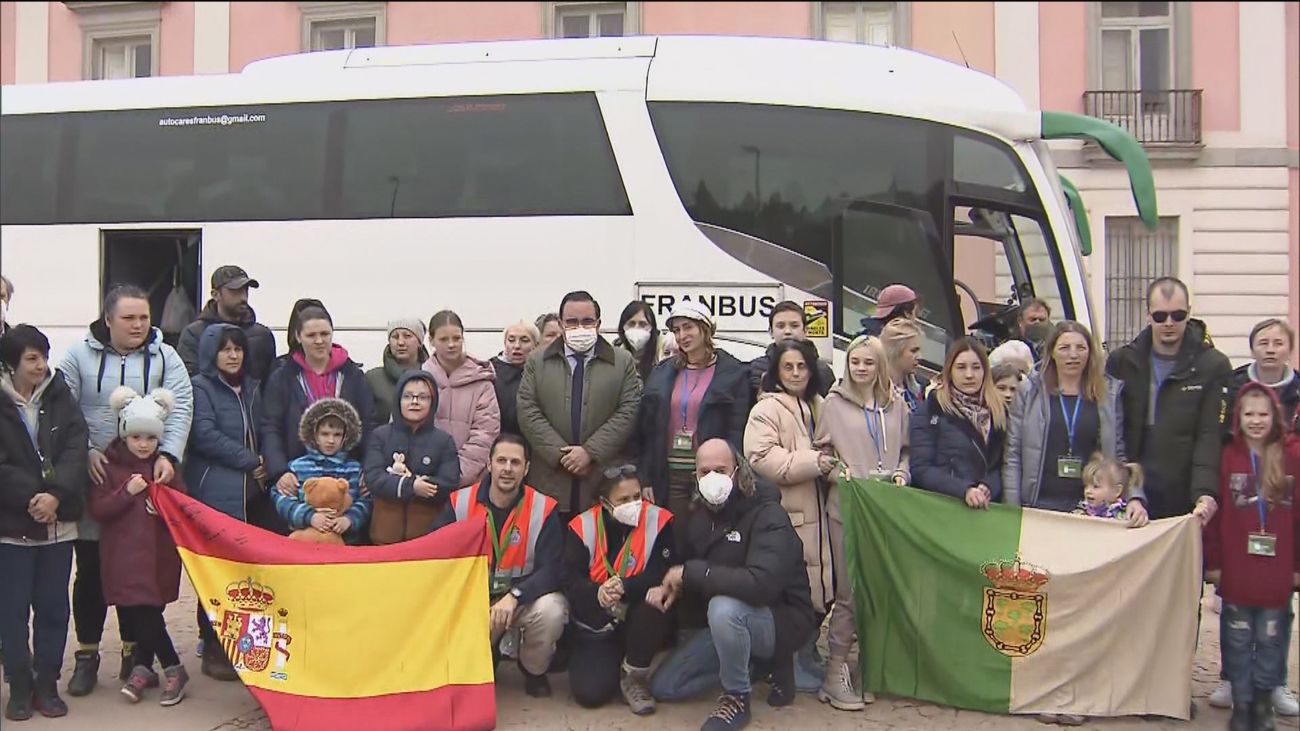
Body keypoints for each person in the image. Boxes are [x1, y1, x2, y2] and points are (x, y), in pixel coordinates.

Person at [57, 284, 193, 696]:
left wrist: (168, 453)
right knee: (93, 569)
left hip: (147, 483)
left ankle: (137, 657)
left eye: (144, 317)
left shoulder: (166, 356)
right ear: (108, 318)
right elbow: (63, 408)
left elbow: (181, 405)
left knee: (139, 571)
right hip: (99, 477)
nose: (138, 325)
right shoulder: (77, 355)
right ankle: (87, 654)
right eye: (130, 318)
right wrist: (85, 452)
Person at [648, 439, 818, 731]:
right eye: (704, 472)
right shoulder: (697, 517)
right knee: (666, 686)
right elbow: (691, 572)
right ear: (695, 478)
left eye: (721, 469)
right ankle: (757, 665)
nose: (712, 478)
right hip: (727, 624)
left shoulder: (768, 513)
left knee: (724, 607)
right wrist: (672, 587)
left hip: (779, 618)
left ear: (738, 472)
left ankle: (737, 697)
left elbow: (760, 585)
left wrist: (690, 573)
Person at [811, 334, 909, 711]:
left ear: (880, 365)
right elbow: (822, 454)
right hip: (848, 508)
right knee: (850, 590)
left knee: (881, 586)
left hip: (886, 510)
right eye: (855, 362)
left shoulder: (896, 405)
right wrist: (841, 474)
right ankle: (835, 669)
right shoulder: (833, 405)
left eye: (869, 362)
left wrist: (902, 473)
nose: (862, 368)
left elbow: (906, 452)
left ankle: (870, 664)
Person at [0, 325, 87, 721]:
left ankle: (47, 684)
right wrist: (32, 498)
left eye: (44, 357)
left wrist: (56, 495)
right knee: (12, 611)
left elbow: (75, 445)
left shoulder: (59, 393)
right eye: (32, 359)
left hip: (58, 524)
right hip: (11, 527)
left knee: (53, 608)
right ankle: (19, 685)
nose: (41, 366)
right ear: (12, 363)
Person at [1205, 383, 1300, 731]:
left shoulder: (1292, 456)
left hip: (1277, 572)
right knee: (1238, 638)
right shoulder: (1228, 455)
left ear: (1275, 416)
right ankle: (1242, 704)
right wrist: (1213, 562)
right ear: (1238, 417)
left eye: (1263, 414)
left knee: (1272, 639)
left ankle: (1263, 704)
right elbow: (1216, 514)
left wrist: (1297, 567)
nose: (1256, 421)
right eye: (1249, 414)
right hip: (1237, 569)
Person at [448, 434, 568, 698]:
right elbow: (439, 559)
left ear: (526, 469)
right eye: (501, 460)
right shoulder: (459, 502)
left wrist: (515, 596)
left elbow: (553, 570)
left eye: (515, 462)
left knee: (553, 610)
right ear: (489, 464)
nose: (507, 468)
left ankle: (533, 670)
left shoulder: (544, 508)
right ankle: (487, 657)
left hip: (520, 599)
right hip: (474, 602)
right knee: (475, 678)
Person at [90, 387, 188, 707]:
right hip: (121, 556)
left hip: (157, 555)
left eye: (150, 438)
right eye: (136, 438)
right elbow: (99, 509)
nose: (144, 445)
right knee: (137, 610)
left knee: (148, 611)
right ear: (124, 435)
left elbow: (181, 506)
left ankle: (146, 667)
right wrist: (126, 493)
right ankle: (168, 666)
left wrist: (163, 509)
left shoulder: (164, 470)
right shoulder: (110, 465)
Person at [1105, 277, 1231, 521]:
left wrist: (1204, 493)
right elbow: (1113, 435)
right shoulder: (1122, 362)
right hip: (1131, 494)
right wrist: (1129, 492)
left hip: (1185, 494)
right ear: (1147, 315)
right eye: (1160, 316)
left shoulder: (1212, 365)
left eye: (1178, 315)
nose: (1169, 323)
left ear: (1189, 313)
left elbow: (1210, 435)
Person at [1003, 321, 1149, 529]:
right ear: (1052, 352)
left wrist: (1135, 497)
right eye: (1064, 348)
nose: (1073, 355)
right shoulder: (1029, 391)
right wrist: (1012, 508)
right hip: (1038, 505)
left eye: (1081, 348)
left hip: (1089, 509)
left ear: (1090, 353)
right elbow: (1013, 455)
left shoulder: (1108, 394)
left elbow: (1117, 455)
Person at [183, 324, 263, 681]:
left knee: (247, 576)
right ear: (211, 353)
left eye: (238, 349)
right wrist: (252, 460)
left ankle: (246, 645)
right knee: (217, 573)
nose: (233, 355)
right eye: (226, 349)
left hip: (252, 494)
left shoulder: (253, 388)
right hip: (215, 490)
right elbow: (205, 434)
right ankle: (213, 647)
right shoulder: (201, 388)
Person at [517, 291, 642, 520]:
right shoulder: (537, 360)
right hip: (550, 480)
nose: (580, 328)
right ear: (561, 325)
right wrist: (562, 455)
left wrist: (590, 452)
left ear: (599, 324)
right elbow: (527, 410)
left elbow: (628, 411)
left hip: (601, 481)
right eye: (572, 322)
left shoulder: (622, 361)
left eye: (587, 321)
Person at [561, 464, 675, 714]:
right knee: (590, 694)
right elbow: (570, 579)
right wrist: (597, 593)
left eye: (636, 497)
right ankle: (605, 662)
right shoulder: (582, 526)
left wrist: (625, 586)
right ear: (604, 502)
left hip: (637, 613)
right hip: (597, 620)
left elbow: (662, 571)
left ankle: (633, 676)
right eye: (623, 499)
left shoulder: (659, 520)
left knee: (656, 599)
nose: (633, 504)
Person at [262, 304, 375, 534]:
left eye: (324, 334)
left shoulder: (352, 374)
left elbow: (369, 423)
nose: (319, 341)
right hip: (300, 474)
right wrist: (279, 471)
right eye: (311, 335)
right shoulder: (283, 376)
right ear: (298, 336)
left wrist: (369, 470)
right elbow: (270, 426)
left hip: (346, 475)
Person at [634, 301, 750, 525]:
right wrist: (645, 477)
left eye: (688, 327)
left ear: (704, 329)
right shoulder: (662, 373)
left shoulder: (733, 373)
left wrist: (731, 474)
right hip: (670, 473)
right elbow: (647, 431)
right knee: (676, 538)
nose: (681, 335)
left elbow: (737, 429)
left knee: (709, 535)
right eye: (676, 330)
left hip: (712, 473)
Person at [363, 371, 460, 544]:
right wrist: (412, 486)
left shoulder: (443, 441)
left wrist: (425, 486)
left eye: (422, 397)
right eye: (408, 396)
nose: (414, 402)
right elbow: (374, 478)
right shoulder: (380, 436)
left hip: (428, 540)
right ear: (398, 400)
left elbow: (450, 481)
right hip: (383, 537)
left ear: (433, 402)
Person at [909, 338, 1006, 508]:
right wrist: (964, 490)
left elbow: (1002, 465)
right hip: (943, 507)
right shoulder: (932, 408)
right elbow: (921, 468)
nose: (969, 375)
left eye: (976, 367)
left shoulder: (999, 411)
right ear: (949, 371)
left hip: (987, 510)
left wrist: (989, 486)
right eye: (961, 367)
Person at [271, 399, 370, 544]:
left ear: (345, 437)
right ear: (315, 435)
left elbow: (365, 500)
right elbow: (281, 498)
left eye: (337, 434)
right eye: (325, 434)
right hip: (304, 542)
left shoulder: (354, 469)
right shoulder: (298, 467)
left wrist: (349, 520)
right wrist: (309, 517)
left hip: (345, 545)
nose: (331, 440)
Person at [422, 310, 500, 487]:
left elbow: (485, 434)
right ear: (431, 340)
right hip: (425, 481)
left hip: (471, 483)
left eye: (456, 338)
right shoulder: (419, 379)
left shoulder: (482, 382)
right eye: (443, 339)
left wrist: (456, 473)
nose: (451, 344)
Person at [176, 266, 276, 383]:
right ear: (215, 294)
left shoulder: (262, 335)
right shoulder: (194, 334)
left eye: (245, 290)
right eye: (235, 291)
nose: (243, 297)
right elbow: (189, 382)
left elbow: (271, 384)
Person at [1223, 319, 1299, 436]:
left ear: (1290, 351)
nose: (1270, 350)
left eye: (1278, 344)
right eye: (1263, 343)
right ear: (1252, 351)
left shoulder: (1297, 388)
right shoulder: (1232, 386)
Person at [748, 301, 836, 400]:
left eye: (794, 326)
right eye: (781, 326)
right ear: (771, 332)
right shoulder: (756, 369)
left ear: (805, 331)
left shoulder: (822, 370)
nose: (788, 331)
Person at [364, 318, 428, 421]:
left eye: (407, 336)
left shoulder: (433, 376)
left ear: (420, 342)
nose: (400, 342)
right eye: (395, 337)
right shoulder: (373, 379)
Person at [491, 320, 540, 438]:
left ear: (536, 345)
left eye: (525, 340)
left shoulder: (542, 372)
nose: (517, 346)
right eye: (511, 340)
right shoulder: (490, 371)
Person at [1072, 453, 1143, 520]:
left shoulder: (1122, 515)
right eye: (1086, 486)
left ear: (1116, 491)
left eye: (1096, 486)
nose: (1088, 491)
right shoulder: (1083, 508)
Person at [880, 318, 929, 412]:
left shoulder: (919, 389)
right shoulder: (872, 391)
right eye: (914, 351)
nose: (920, 357)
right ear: (895, 351)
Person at [613, 301, 661, 384]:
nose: (637, 328)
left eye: (643, 324)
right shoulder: (614, 356)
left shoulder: (662, 355)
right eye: (631, 324)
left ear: (652, 328)